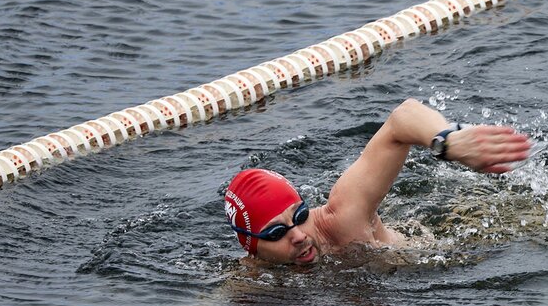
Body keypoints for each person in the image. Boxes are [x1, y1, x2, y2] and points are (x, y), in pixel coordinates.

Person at [224, 98, 531, 265]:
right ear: (252, 246)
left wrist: (448, 141)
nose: (299, 235)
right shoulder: (254, 274)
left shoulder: (343, 217)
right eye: (277, 232)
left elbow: (401, 119)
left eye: (300, 215)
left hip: (468, 247)